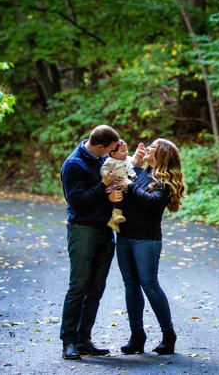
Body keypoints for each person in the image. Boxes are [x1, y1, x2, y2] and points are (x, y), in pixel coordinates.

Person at [115, 138, 187, 356]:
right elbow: (123, 186)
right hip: (124, 237)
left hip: (147, 239)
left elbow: (153, 203)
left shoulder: (164, 181)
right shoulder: (138, 172)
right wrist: (129, 177)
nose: (147, 148)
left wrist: (130, 186)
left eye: (153, 147)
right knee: (131, 285)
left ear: (162, 154)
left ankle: (168, 335)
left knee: (149, 284)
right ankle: (137, 335)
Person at [59, 124, 124, 361]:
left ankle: (84, 338)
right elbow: (77, 202)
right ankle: (68, 341)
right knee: (78, 287)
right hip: (83, 230)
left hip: (105, 229)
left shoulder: (101, 160)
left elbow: (102, 194)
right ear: (98, 145)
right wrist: (103, 186)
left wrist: (114, 191)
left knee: (96, 289)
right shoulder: (74, 165)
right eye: (108, 149)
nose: (110, 153)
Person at [101, 140, 136, 232]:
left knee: (127, 198)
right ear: (113, 154)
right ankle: (115, 216)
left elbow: (135, 160)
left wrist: (139, 153)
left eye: (127, 149)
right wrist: (107, 174)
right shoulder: (110, 161)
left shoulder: (127, 158)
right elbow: (103, 169)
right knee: (119, 197)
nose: (126, 152)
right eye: (123, 151)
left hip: (128, 182)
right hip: (117, 184)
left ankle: (115, 220)